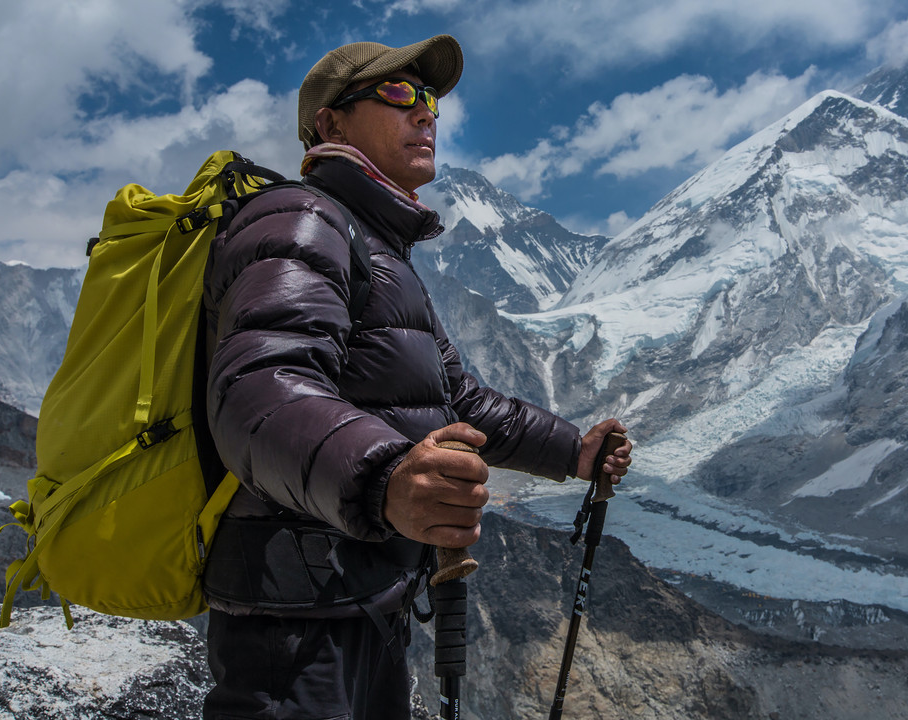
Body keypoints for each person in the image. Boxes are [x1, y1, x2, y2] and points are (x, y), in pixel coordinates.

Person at [198, 35, 632, 720]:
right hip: (295, 626)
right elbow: (259, 392)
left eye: (428, 99)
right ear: (330, 124)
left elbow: (456, 402)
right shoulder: (303, 221)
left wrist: (572, 451)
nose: (426, 113)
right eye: (398, 94)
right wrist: (385, 477)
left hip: (360, 599)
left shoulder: (378, 247)